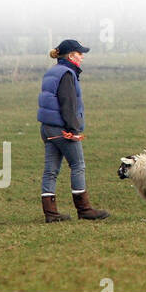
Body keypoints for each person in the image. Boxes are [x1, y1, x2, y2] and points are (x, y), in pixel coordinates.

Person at [37, 39, 109, 222]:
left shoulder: (52, 71)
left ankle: (50, 213)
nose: (82, 57)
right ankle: (84, 209)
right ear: (71, 56)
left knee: (50, 171)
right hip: (62, 129)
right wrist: (73, 129)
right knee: (78, 165)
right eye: (79, 53)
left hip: (47, 128)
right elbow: (67, 104)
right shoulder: (67, 74)